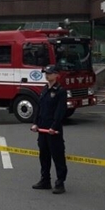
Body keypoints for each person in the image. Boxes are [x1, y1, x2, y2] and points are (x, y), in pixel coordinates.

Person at [30, 65, 68, 195]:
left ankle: (60, 183)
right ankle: (45, 180)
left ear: (57, 75)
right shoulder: (45, 89)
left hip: (53, 130)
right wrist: (35, 123)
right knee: (44, 155)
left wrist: (54, 127)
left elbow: (60, 111)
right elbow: (39, 108)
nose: (47, 75)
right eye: (46, 73)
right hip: (42, 128)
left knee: (58, 156)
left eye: (50, 73)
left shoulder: (60, 91)